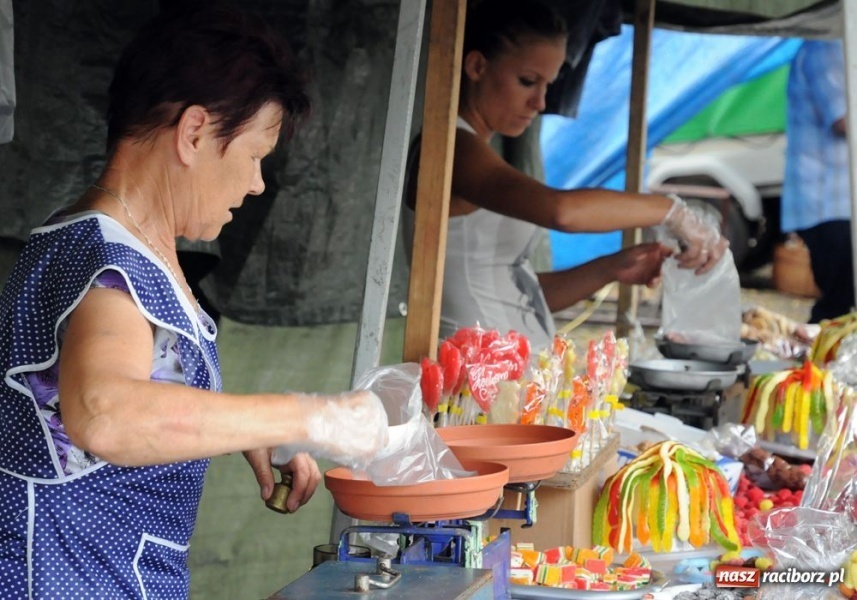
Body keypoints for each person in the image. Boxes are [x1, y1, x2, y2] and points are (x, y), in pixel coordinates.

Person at [0, 5, 388, 599]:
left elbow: (136, 379)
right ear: (194, 132)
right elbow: (102, 412)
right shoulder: (108, 260)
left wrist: (236, 430)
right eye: (256, 153)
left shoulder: (113, 242)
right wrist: (306, 414)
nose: (258, 182)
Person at [403, 0, 728, 351]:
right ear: (477, 66)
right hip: (471, 386)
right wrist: (672, 211)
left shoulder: (476, 149)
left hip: (509, 379)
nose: (540, 103)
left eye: (548, 85)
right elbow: (562, 211)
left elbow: (517, 294)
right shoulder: (453, 150)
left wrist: (609, 269)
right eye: (528, 81)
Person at [781, 39, 854, 323]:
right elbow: (844, 120)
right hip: (829, 206)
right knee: (839, 304)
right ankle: (815, 365)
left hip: (839, 205)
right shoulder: (825, 48)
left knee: (842, 303)